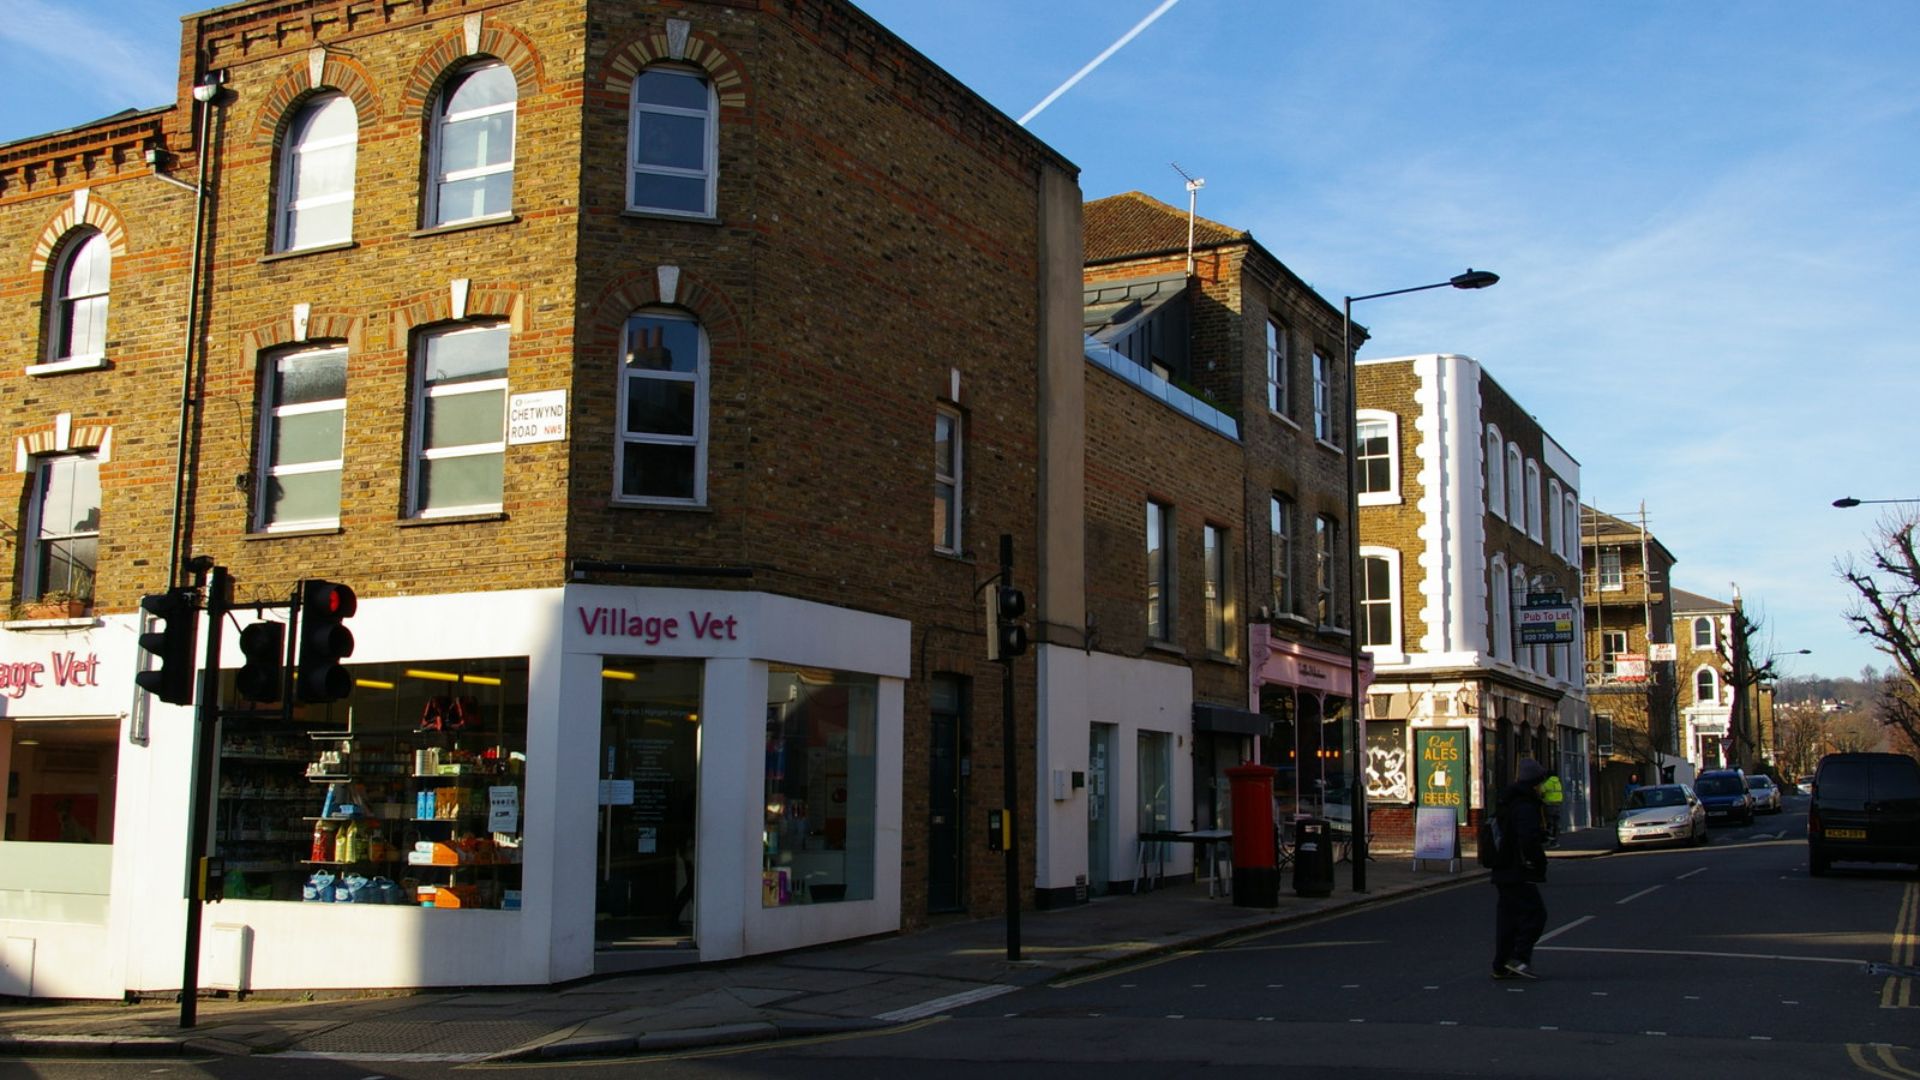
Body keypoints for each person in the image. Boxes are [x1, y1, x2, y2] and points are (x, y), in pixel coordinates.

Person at [1491, 758, 1550, 981]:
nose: (1544, 787)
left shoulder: (1508, 800)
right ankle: (1519, 958)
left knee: (1508, 919)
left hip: (1502, 868)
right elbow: (1528, 839)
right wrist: (1537, 862)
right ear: (1535, 783)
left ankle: (1500, 965)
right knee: (1536, 914)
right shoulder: (1525, 805)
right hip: (1518, 868)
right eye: (1542, 783)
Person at [1540, 768, 1564, 846]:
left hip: (1550, 804)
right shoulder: (1558, 782)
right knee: (1556, 824)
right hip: (1558, 804)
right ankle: (1555, 841)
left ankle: (1548, 838)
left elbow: (1541, 790)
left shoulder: (1549, 782)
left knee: (1549, 823)